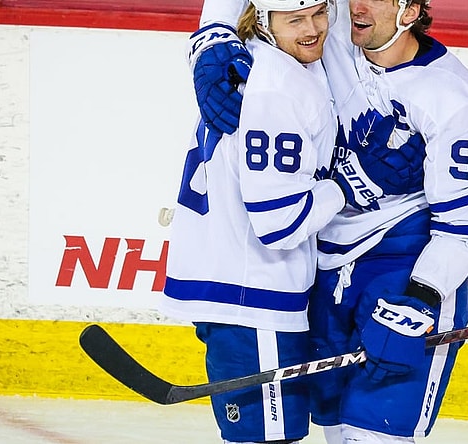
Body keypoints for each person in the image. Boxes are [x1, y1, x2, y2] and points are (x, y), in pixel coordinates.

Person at [187, 0, 468, 442]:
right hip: (327, 272)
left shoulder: (451, 97)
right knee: (333, 432)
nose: (355, 4)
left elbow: (467, 229)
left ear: (410, 11)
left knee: (371, 437)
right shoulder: (329, 32)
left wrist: (420, 297)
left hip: (401, 269)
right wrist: (211, 34)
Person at [161, 1, 425, 443]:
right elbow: (278, 225)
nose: (313, 30)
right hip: (252, 291)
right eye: (295, 19)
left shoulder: (257, 57)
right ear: (264, 20)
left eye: (319, 13)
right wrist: (355, 184)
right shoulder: (278, 85)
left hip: (235, 280)